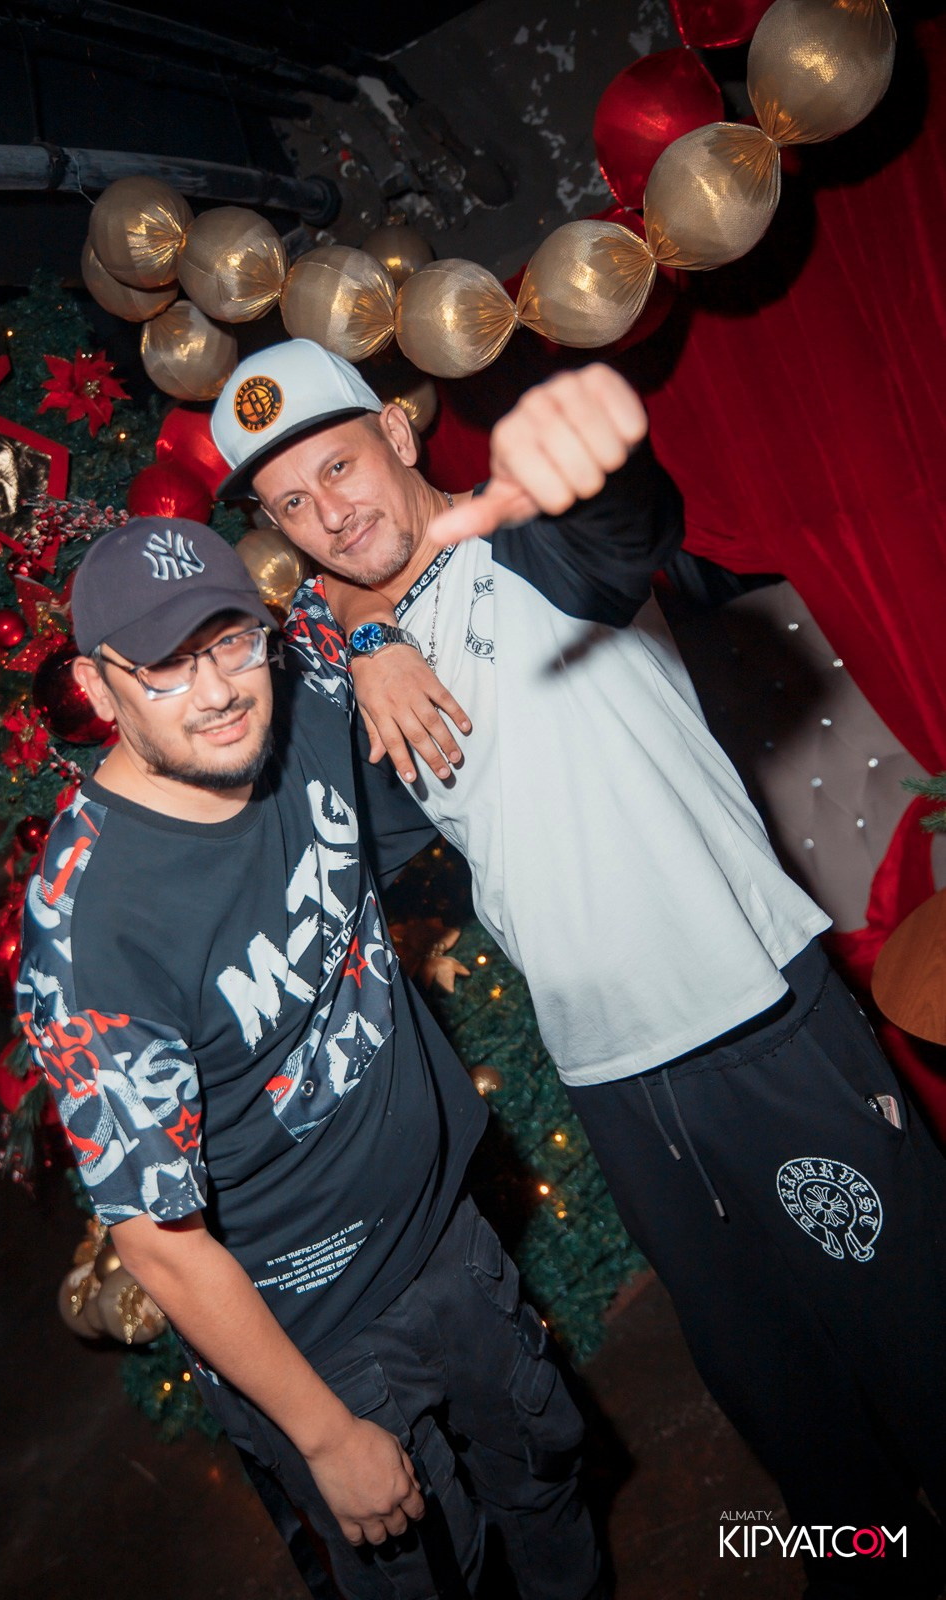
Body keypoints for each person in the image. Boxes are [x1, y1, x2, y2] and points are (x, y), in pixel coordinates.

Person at [210, 339, 946, 1599]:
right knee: (777, 1398)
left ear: (398, 432)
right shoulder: (365, 675)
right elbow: (300, 833)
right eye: (288, 502)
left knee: (918, 1342)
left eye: (337, 465)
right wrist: (362, 635)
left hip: (756, 1021)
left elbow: (624, 524)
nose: (326, 510)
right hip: (613, 1080)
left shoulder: (525, 544)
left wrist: (594, 444)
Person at [15, 514, 606, 1600]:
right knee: (435, 1577)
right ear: (97, 687)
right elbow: (157, 1243)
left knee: (546, 1485)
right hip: (318, 1338)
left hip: (443, 1235)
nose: (218, 691)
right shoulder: (91, 933)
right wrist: (322, 1430)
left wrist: (372, 639)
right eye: (165, 666)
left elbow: (361, 570)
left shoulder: (301, 687)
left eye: (230, 641)